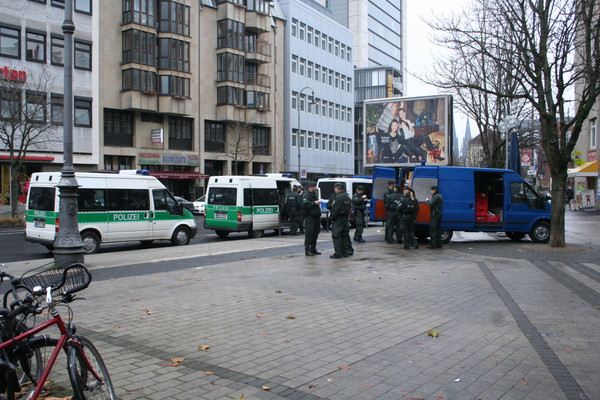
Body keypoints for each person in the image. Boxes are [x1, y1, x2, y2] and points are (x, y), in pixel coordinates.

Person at [328, 183, 353, 258]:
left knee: (336, 236)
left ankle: (338, 253)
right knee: (344, 236)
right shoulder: (347, 197)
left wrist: (332, 217)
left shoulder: (338, 197)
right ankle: (344, 252)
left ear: (337, 189)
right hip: (345, 218)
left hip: (338, 219)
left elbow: (335, 209)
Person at [302, 182, 322, 256]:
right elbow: (305, 206)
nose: (315, 188)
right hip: (310, 217)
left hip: (316, 217)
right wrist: (314, 203)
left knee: (315, 233)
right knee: (309, 234)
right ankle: (307, 250)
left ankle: (313, 249)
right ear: (310, 187)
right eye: (314, 187)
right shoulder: (306, 195)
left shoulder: (314, 194)